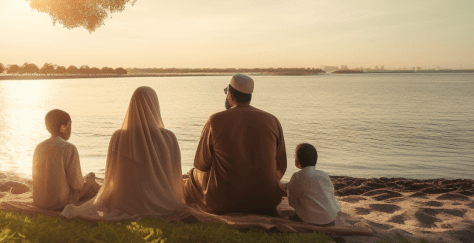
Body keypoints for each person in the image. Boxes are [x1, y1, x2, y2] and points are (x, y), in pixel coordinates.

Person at [61, 87, 187, 221]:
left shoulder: (118, 137)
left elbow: (111, 178)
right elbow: (174, 176)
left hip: (124, 201)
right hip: (162, 200)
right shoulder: (168, 137)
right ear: (155, 106)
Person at [183, 73, 287, 216]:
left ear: (231, 93)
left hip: (224, 203)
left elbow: (201, 164)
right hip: (266, 202)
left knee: (193, 175)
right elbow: (281, 165)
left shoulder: (215, 120)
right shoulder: (272, 120)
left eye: (226, 91)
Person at [32, 109, 99, 211]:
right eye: (69, 126)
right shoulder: (69, 148)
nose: (70, 130)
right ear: (63, 127)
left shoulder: (39, 147)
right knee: (91, 179)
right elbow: (76, 184)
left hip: (39, 201)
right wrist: (87, 182)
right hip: (60, 203)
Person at [285, 143, 341, 226]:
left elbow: (292, 203)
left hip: (310, 220)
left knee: (293, 214)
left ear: (297, 161)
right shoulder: (324, 175)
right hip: (330, 219)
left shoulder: (296, 176)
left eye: (295, 157)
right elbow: (330, 195)